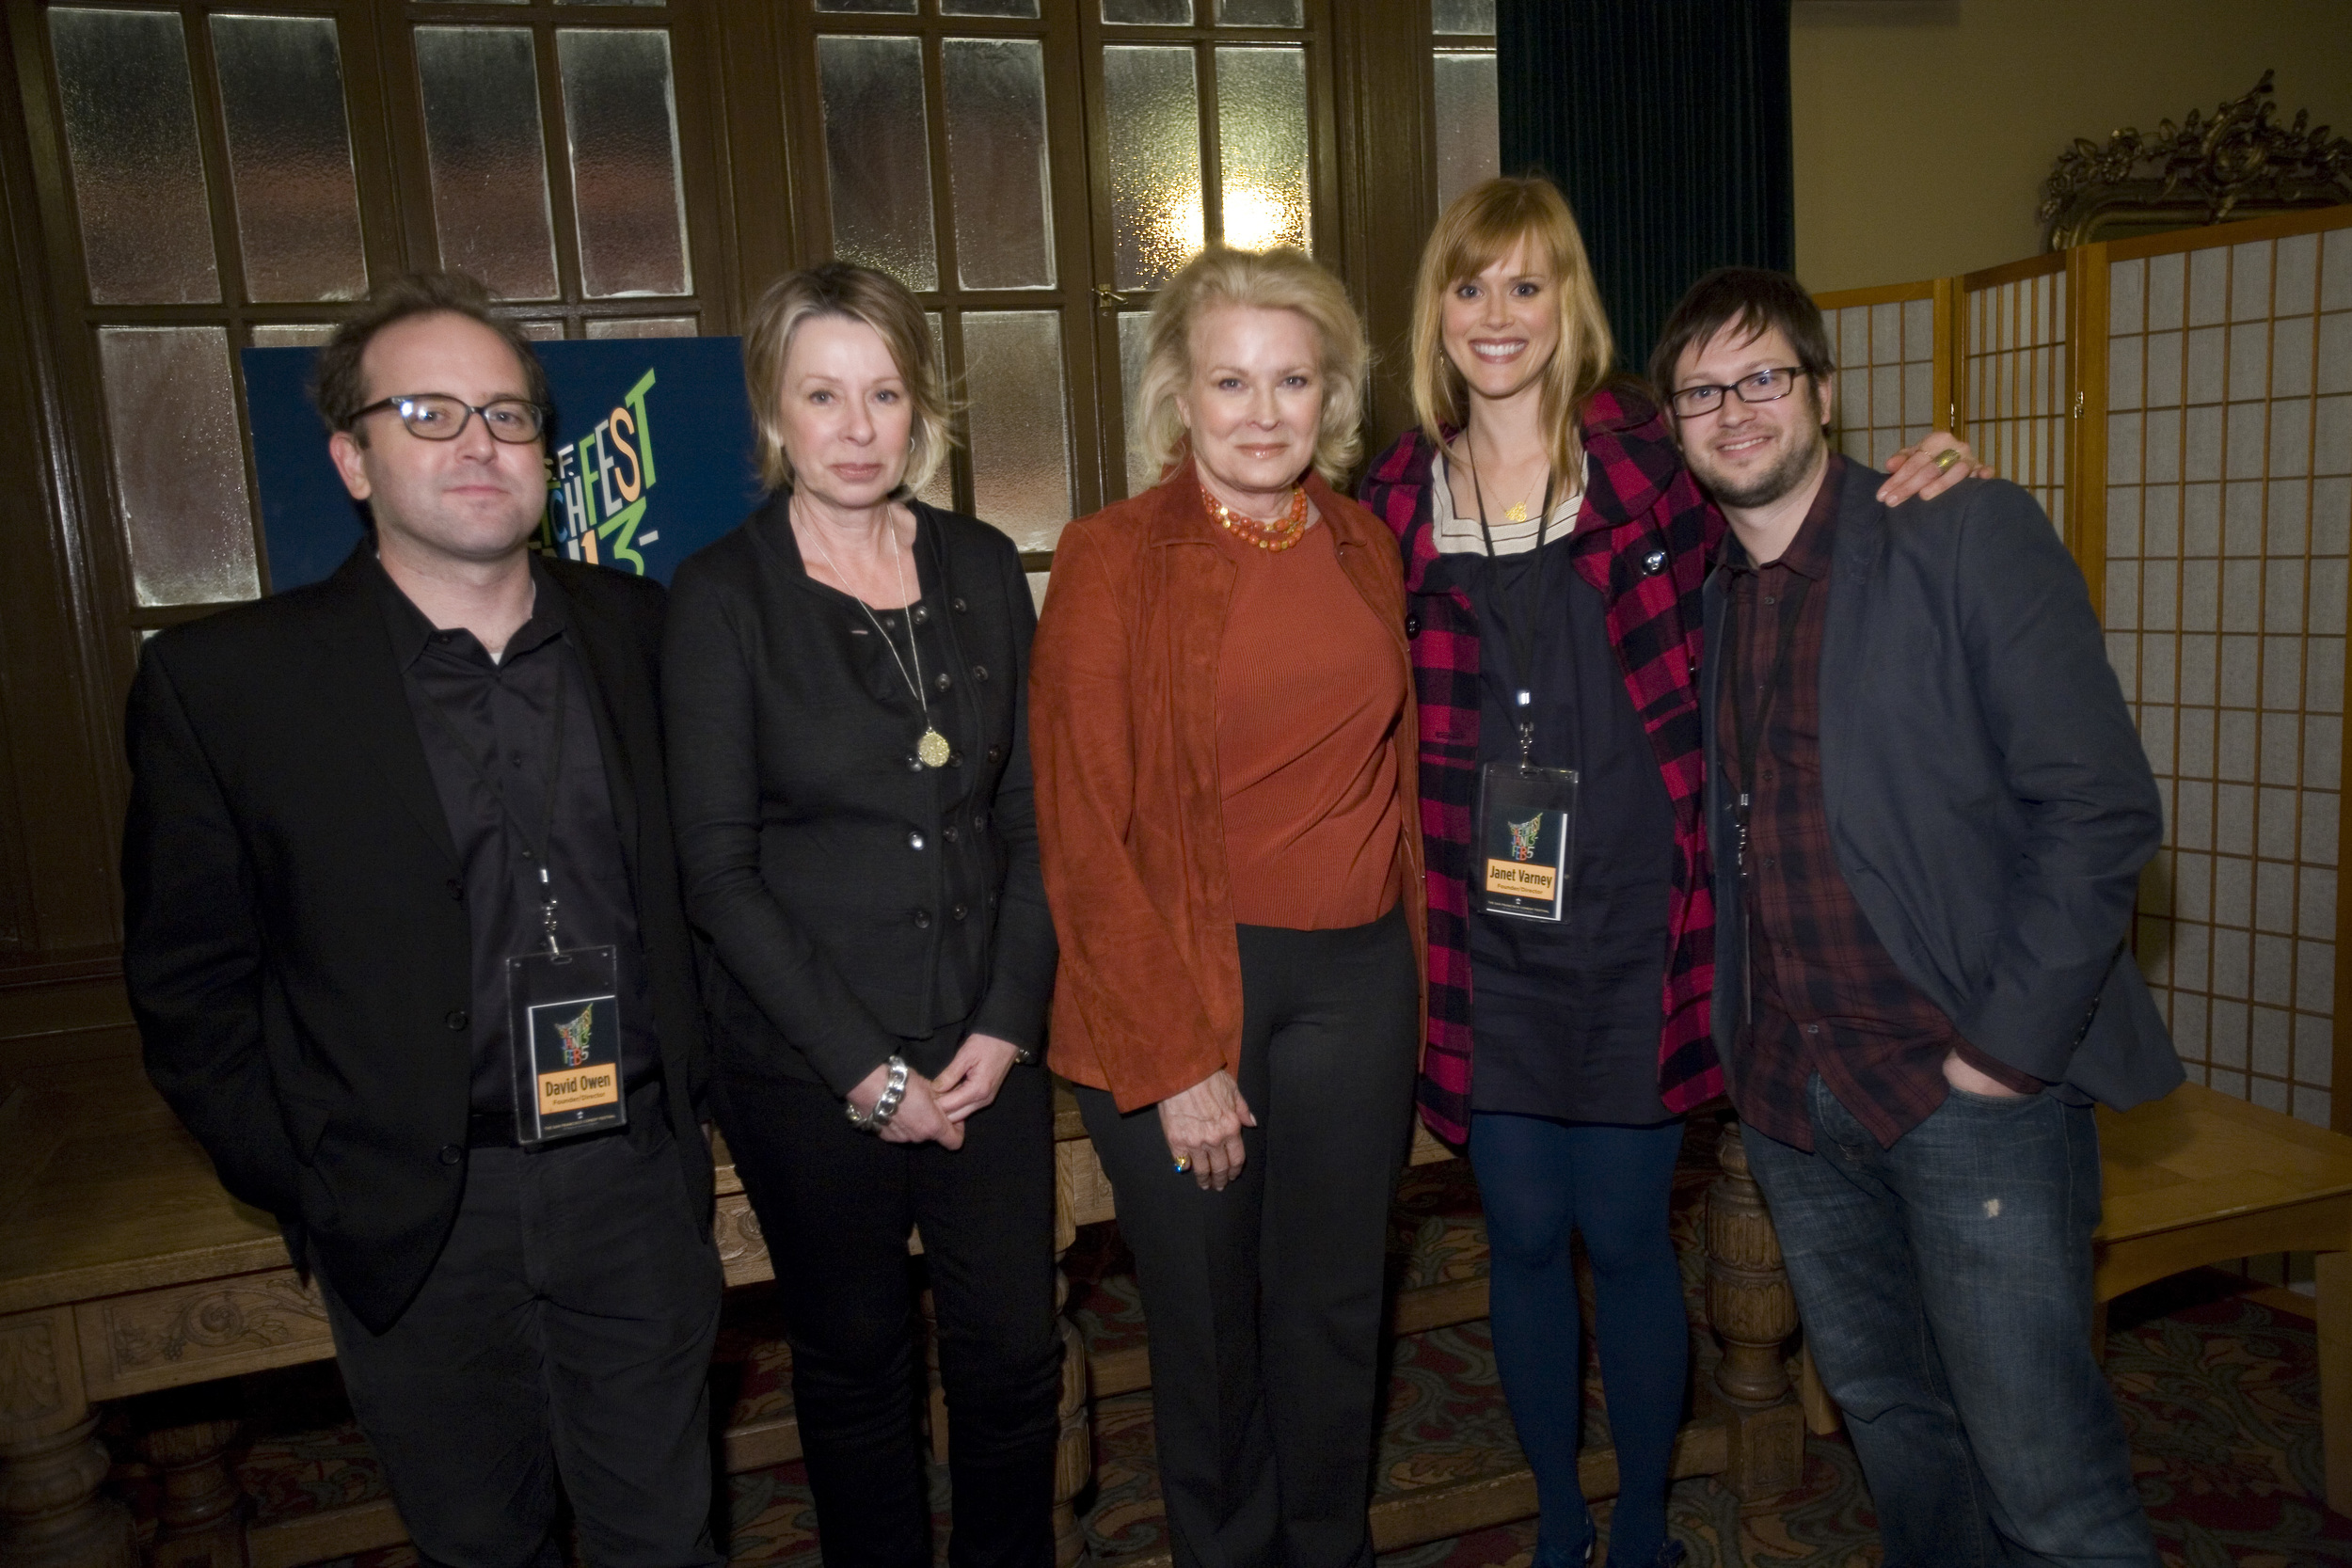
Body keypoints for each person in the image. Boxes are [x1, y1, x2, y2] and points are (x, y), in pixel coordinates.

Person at [1358, 179, 1979, 1568]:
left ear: (1569, 301)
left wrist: (1918, 496)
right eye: (1471, 288)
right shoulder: (1393, 492)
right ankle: (1561, 1519)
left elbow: (1796, 523)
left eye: (1528, 285)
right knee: (1522, 1236)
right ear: (1436, 313)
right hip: (1480, 934)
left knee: (1630, 1236)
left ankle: (1640, 1515)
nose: (1498, 316)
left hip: (1649, 920)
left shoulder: (1650, 455)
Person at [123, 271, 724, 1568]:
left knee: (665, 1541)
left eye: (507, 418)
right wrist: (314, 1177)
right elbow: (190, 990)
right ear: (351, 457)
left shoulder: (647, 633)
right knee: (476, 1546)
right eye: (428, 414)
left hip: (631, 1186)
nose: (477, 446)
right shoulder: (225, 686)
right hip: (416, 1211)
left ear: (549, 458)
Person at [1656, 265, 2176, 1568]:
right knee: (1896, 1426)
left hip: (1967, 1091)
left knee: (2046, 1477)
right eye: (1702, 391)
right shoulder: (1718, 597)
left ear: (1824, 393)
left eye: (1764, 376)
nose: (1735, 410)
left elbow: (2099, 808)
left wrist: (1999, 1057)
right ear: (1672, 425)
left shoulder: (1958, 528)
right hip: (1792, 1096)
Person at [1030, 245, 1424, 1568]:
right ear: (1180, 397)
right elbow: (1081, 828)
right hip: (1185, 985)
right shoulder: (1112, 556)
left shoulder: (1367, 543)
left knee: (1332, 1309)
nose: (1264, 412)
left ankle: (1329, 1548)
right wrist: (1175, 1054)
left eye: (1294, 380)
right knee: (1207, 1329)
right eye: (1232, 381)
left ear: (1333, 395)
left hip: (1359, 978)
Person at [663, 261, 1061, 1568]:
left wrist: (1006, 1025)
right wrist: (866, 1072)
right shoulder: (721, 597)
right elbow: (716, 873)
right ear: (775, 413)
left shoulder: (985, 563)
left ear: (919, 406)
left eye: (883, 392)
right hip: (809, 1063)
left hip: (984, 1047)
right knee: (854, 1369)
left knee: (1014, 1356)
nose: (855, 426)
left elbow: (1029, 821)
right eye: (822, 394)